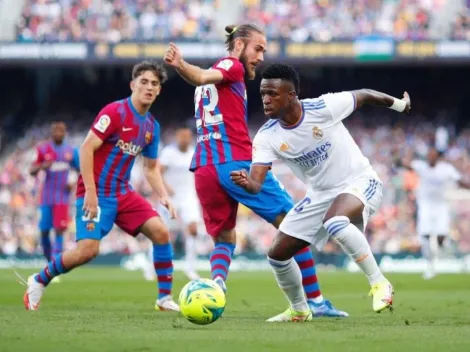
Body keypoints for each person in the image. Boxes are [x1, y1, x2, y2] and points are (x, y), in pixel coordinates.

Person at [164, 24, 346, 317]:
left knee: (225, 238)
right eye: (257, 48)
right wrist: (181, 64)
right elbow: (197, 74)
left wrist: (180, 67)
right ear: (238, 45)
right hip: (235, 163)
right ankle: (314, 301)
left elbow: (197, 78)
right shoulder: (231, 66)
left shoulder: (214, 81)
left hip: (204, 169)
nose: (261, 57)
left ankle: (218, 284)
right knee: (295, 225)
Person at [230, 63, 411, 322]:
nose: (266, 100)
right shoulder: (266, 137)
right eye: (262, 94)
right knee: (278, 255)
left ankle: (379, 282)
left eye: (272, 94)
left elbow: (365, 94)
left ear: (291, 95)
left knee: (336, 221)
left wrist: (399, 105)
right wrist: (246, 183)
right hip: (320, 194)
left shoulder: (323, 107)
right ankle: (300, 309)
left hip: (358, 181)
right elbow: (256, 183)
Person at [23, 61, 179, 312]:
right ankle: (39, 279)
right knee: (87, 251)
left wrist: (164, 196)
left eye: (155, 84)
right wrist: (92, 194)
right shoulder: (114, 113)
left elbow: (150, 168)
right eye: (144, 82)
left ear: (159, 90)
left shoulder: (152, 127)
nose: (149, 87)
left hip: (123, 193)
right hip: (96, 192)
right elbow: (87, 148)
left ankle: (164, 298)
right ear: (133, 85)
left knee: (161, 232)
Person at [397, 146, 470, 279]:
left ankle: (445, 249)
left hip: (441, 206)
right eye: (429, 155)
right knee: (425, 235)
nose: (430, 157)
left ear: (438, 157)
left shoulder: (446, 169)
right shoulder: (421, 166)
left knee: (441, 236)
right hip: (425, 205)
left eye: (433, 155)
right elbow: (405, 165)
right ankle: (430, 266)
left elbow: (460, 181)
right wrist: (399, 157)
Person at [30, 121, 79, 281]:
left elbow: (81, 169)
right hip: (47, 197)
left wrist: (73, 182)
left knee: (59, 230)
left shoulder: (70, 152)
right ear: (51, 133)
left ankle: (53, 267)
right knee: (44, 230)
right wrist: (43, 166)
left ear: (65, 133)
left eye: (61, 131)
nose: (58, 133)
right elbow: (32, 170)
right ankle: (47, 261)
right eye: (55, 131)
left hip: (62, 198)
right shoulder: (43, 150)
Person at [158, 127, 202, 280]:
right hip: (170, 199)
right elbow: (157, 172)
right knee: (161, 233)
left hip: (188, 197)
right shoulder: (168, 153)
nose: (185, 139)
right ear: (177, 137)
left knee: (193, 229)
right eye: (182, 136)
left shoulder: (194, 153)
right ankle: (153, 267)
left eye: (187, 136)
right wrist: (165, 188)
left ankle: (190, 268)